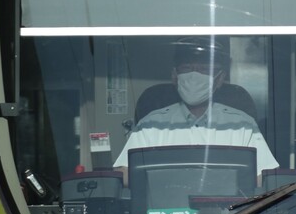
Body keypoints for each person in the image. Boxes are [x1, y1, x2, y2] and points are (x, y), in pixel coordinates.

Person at [115, 36, 278, 175]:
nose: (194, 75)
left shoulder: (242, 125)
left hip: (227, 210)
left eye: (204, 70)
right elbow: (123, 172)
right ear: (174, 76)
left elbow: (264, 176)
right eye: (187, 68)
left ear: (220, 79)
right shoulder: (151, 125)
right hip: (166, 209)